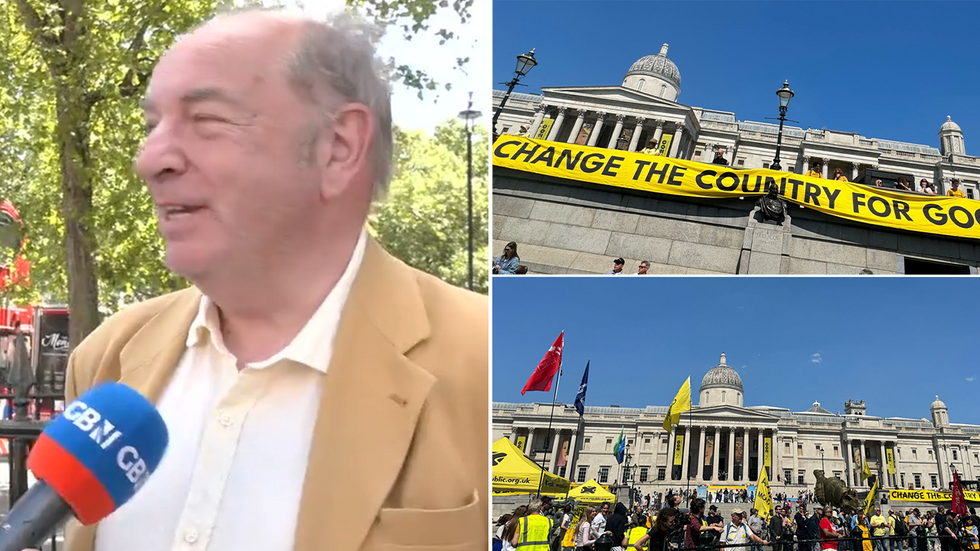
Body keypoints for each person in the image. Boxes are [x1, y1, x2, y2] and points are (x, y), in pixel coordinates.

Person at [56, 8, 488, 551]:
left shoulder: (484, 358)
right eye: (153, 126)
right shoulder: (108, 357)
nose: (151, 158)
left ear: (339, 146)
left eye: (207, 120)